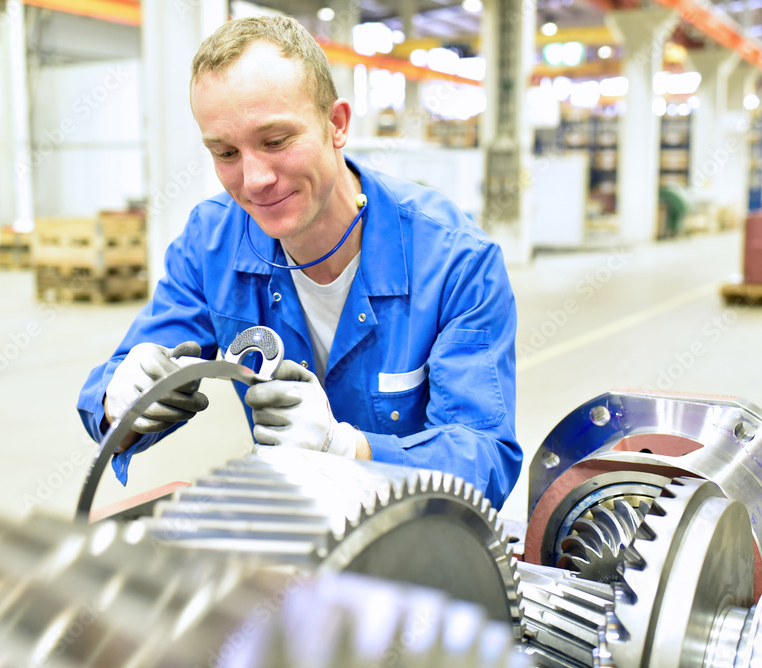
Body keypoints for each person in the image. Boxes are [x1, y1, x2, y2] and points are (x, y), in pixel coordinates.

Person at [77, 16, 521, 508]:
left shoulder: (456, 261)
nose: (255, 179)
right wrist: (119, 400)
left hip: (417, 537)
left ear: (337, 124)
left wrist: (346, 448)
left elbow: (485, 457)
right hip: (293, 531)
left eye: (275, 141)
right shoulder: (212, 243)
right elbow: (118, 382)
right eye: (226, 152)